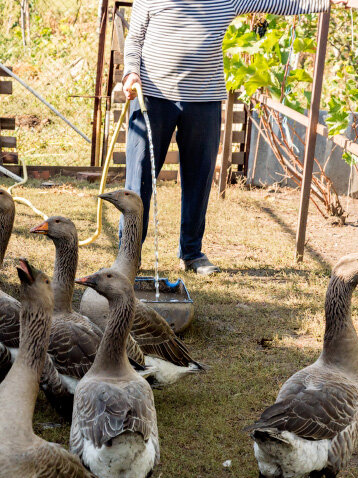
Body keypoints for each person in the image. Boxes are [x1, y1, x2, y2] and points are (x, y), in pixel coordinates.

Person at [122, 0, 340, 275]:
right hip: (152, 98)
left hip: (204, 99)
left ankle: (191, 253)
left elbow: (280, 2)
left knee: (199, 179)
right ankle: (129, 255)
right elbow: (135, 39)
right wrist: (131, 73)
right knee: (138, 180)